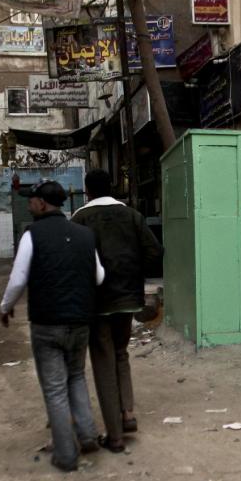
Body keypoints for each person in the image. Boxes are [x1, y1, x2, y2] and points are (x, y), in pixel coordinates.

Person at [0, 181, 106, 472]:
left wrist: (5, 308)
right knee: (76, 377)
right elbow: (98, 276)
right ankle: (87, 435)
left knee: (55, 389)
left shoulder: (33, 234)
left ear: (43, 204)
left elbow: (19, 279)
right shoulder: (85, 234)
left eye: (31, 200)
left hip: (47, 324)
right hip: (80, 320)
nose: (29, 204)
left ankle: (66, 455)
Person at [72, 169, 162, 453]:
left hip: (97, 303)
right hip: (127, 298)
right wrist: (133, 275)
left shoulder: (79, 219)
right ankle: (128, 414)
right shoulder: (132, 216)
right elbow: (154, 252)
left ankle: (115, 436)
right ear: (112, 187)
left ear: (87, 191)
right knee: (121, 354)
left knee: (102, 362)